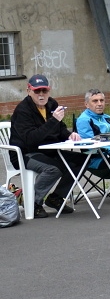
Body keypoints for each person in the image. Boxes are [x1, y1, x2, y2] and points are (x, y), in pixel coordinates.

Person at [8, 74, 83, 218]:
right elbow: (31, 140)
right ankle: (32, 202)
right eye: (37, 91)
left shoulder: (52, 104)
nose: (41, 94)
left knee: (81, 160)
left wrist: (69, 135)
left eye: (44, 90)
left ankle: (56, 197)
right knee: (53, 169)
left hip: (48, 150)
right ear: (29, 91)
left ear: (49, 90)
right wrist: (53, 121)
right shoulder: (23, 110)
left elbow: (59, 128)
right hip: (25, 153)